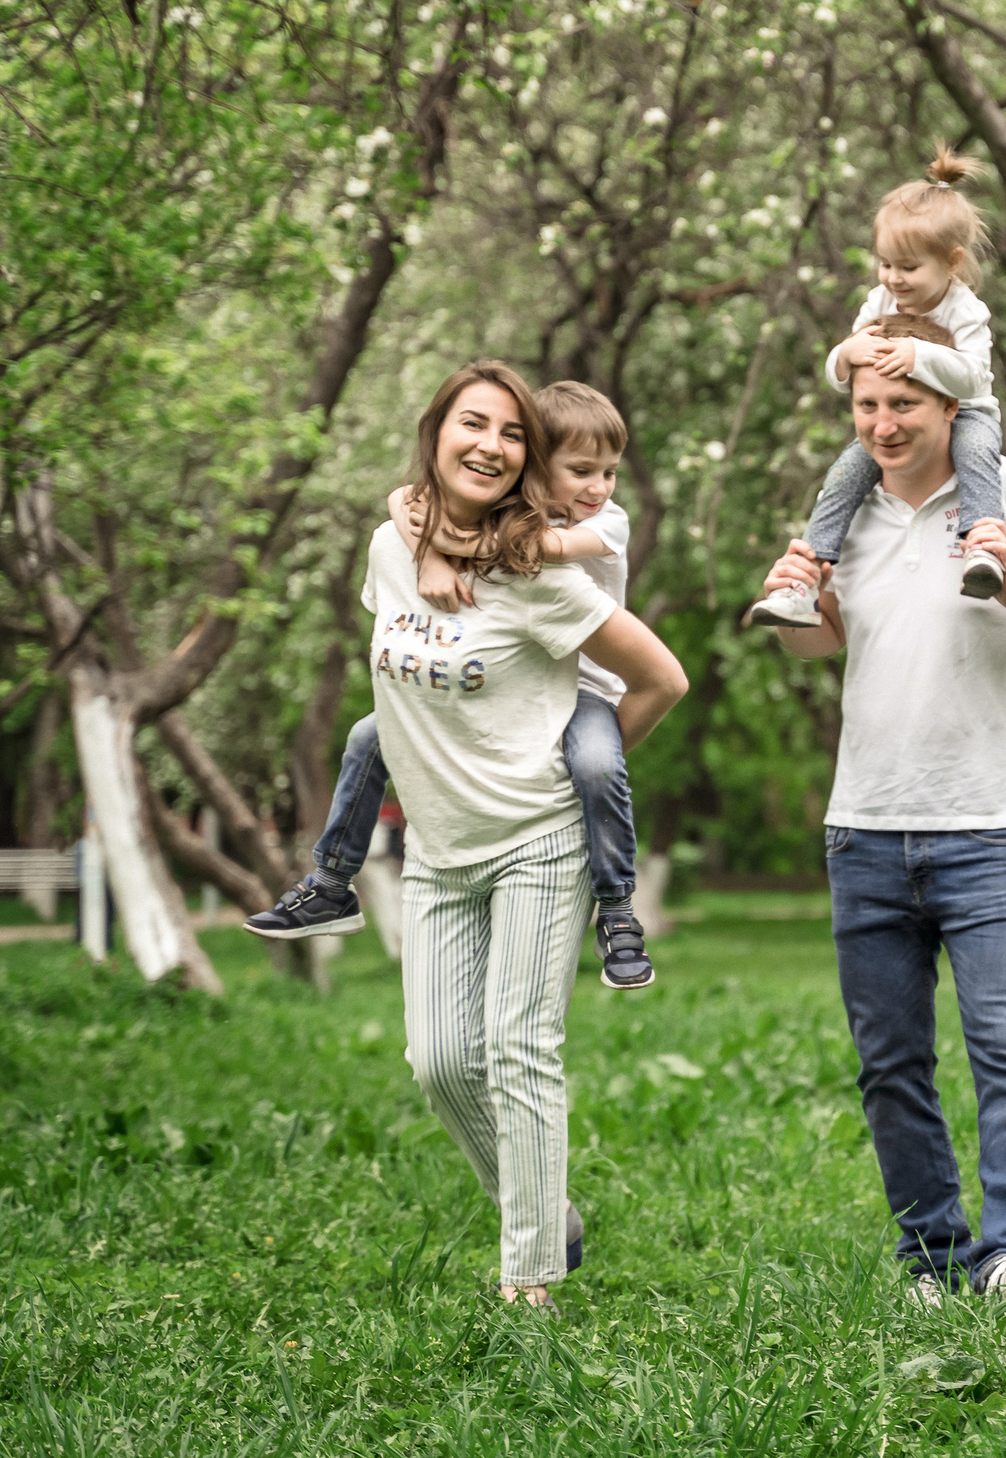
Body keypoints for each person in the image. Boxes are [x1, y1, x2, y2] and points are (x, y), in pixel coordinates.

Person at [758, 348, 1006, 1301]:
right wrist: (801, 596)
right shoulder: (850, 510)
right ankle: (929, 1258)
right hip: (865, 829)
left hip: (996, 828)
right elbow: (823, 642)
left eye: (904, 403)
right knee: (890, 1065)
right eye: (867, 404)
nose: (882, 423)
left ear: (952, 404)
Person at [324, 359, 688, 1308]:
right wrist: (434, 546)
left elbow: (662, 679)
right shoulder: (390, 548)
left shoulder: (542, 577)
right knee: (441, 1062)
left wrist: (579, 774)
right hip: (438, 848)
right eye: (472, 423)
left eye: (512, 433)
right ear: (437, 432)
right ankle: (543, 1207)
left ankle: (529, 1278)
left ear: (528, 458)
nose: (490, 444)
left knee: (521, 1048)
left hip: (539, 836)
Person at [247, 382, 661, 991]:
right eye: (581, 471)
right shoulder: (507, 512)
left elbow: (535, 550)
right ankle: (333, 881)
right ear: (536, 467)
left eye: (610, 472)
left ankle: (618, 905)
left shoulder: (604, 522)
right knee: (366, 738)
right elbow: (404, 498)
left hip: (586, 692)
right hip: (514, 691)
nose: (599, 487)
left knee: (597, 766)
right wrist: (428, 548)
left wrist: (436, 548)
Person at [747, 146, 1005, 627]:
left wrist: (918, 356)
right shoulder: (879, 300)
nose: (893, 278)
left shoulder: (966, 310)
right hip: (906, 418)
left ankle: (982, 548)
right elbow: (848, 371)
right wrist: (846, 353)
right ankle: (804, 582)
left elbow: (974, 377)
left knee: (976, 455)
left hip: (969, 413)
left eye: (907, 267)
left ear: (951, 261)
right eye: (885, 264)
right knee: (844, 474)